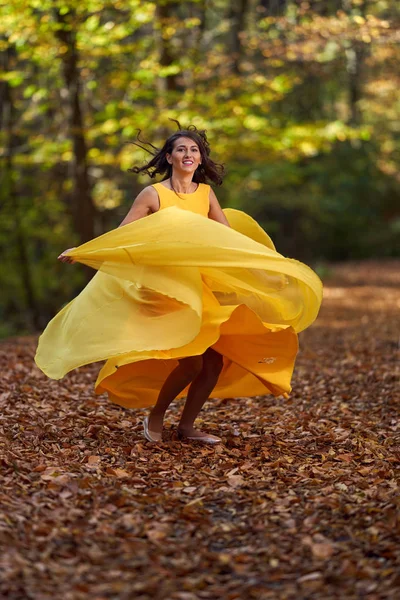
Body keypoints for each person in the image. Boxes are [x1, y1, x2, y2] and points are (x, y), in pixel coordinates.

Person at [36, 123, 323, 445]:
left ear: (200, 160)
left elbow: (227, 238)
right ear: (169, 157)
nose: (188, 154)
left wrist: (266, 267)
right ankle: (156, 415)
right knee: (192, 363)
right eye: (181, 150)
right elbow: (123, 235)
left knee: (212, 363)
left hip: (198, 288)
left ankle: (186, 426)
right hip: (164, 290)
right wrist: (83, 251)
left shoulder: (205, 194)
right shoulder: (153, 195)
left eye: (194, 150)